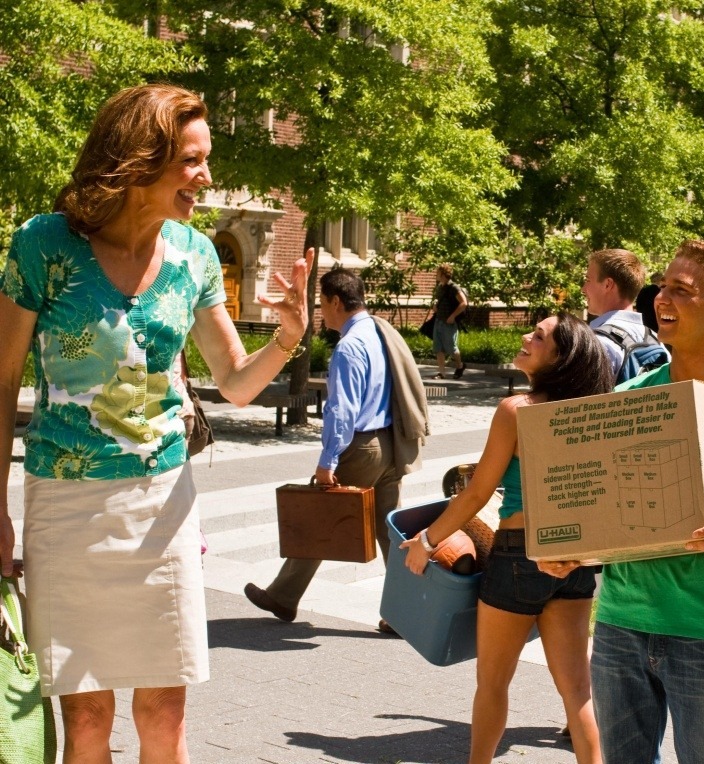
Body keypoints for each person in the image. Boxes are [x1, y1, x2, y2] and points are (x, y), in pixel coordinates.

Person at [0, 84, 314, 761]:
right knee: (85, 715)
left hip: (161, 506)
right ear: (140, 160)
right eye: (192, 161)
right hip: (64, 505)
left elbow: (232, 381)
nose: (205, 176)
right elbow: (1, 384)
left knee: (166, 712)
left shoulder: (194, 256)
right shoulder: (43, 246)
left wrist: (288, 337)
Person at [541, 239, 704, 764]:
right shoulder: (626, 399)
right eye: (663, 286)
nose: (662, 299)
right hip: (618, 627)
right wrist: (567, 548)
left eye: (683, 291)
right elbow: (602, 511)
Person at [400, 312, 612, 764]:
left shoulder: (517, 411)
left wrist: (427, 541)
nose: (525, 337)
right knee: (577, 693)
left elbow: (476, 492)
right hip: (574, 560)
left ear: (562, 357)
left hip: (517, 557)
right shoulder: (593, 415)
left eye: (538, 336)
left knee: (493, 683)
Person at [245, 268, 428, 629]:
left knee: (318, 517)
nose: (320, 311)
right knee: (390, 531)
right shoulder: (378, 331)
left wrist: (327, 460)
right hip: (393, 442)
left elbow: (341, 410)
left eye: (321, 303)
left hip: (362, 448)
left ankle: (282, 597)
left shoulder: (349, 346)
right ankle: (408, 612)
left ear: (335, 301)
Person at [581, 248, 663, 380]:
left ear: (608, 285)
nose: (583, 288)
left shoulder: (596, 343)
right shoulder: (658, 342)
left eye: (588, 280)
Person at [428, 263, 467, 379]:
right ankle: (441, 372)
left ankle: (460, 366)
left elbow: (464, 303)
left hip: (449, 323)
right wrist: (435, 305)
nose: (436, 275)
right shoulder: (440, 287)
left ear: (444, 274)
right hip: (439, 320)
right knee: (438, 347)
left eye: (438, 273)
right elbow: (438, 300)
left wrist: (453, 316)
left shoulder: (454, 287)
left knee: (451, 348)